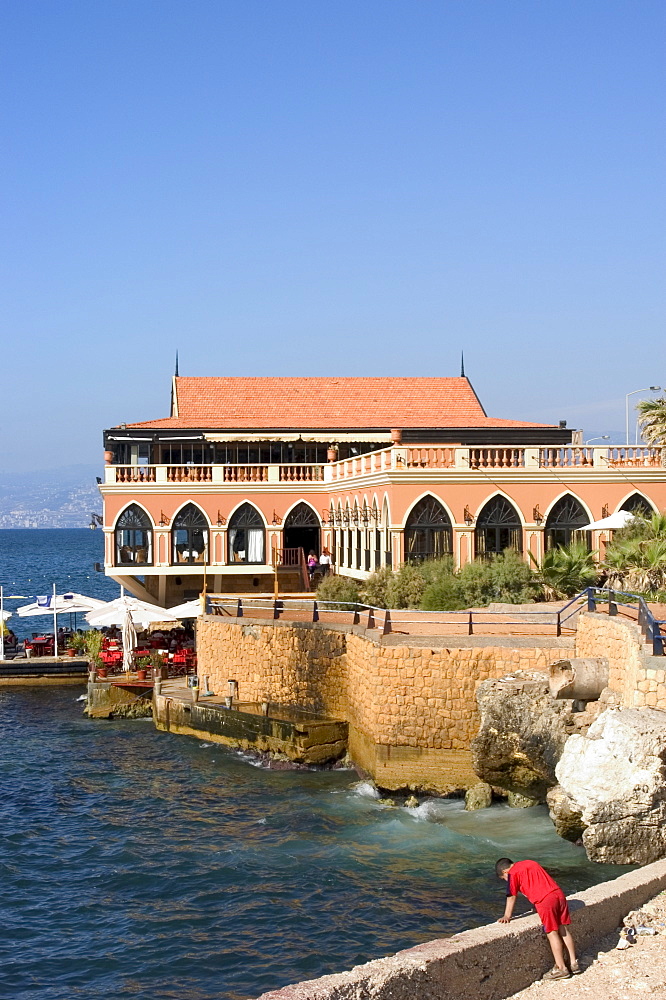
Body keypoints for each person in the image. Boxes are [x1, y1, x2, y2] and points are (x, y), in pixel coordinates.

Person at [496, 858, 579, 980]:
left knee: (552, 932)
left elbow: (511, 896)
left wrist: (507, 916)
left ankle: (561, 968)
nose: (506, 880)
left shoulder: (513, 873)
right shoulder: (530, 863)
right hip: (558, 894)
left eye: (504, 879)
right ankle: (574, 963)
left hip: (545, 900)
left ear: (504, 871)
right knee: (563, 928)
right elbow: (537, 882)